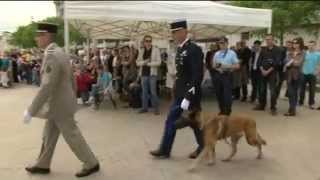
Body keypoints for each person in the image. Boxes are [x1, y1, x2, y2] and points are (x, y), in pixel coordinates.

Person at [23, 23, 100, 178]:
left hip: (59, 105)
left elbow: (46, 86)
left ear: (46, 36)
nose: (36, 39)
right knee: (48, 135)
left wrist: (31, 110)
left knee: (72, 135)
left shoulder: (52, 55)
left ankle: (91, 163)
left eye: (38, 35)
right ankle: (43, 164)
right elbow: (71, 79)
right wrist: (73, 96)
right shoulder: (59, 52)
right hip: (59, 104)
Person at [150, 19, 204, 159]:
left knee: (191, 122)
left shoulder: (194, 49)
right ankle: (166, 149)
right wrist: (175, 88)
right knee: (188, 122)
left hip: (190, 94)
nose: (174, 35)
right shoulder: (180, 48)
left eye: (176, 32)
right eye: (173, 33)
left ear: (184, 31)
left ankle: (166, 149)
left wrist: (188, 96)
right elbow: (181, 74)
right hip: (180, 92)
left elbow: (197, 75)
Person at [253, 34, 282, 115]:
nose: (268, 41)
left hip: (272, 73)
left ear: (273, 40)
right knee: (262, 90)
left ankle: (273, 108)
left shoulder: (278, 50)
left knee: (273, 91)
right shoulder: (263, 49)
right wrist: (262, 70)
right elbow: (259, 61)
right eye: (266, 40)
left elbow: (276, 63)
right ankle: (262, 105)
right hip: (262, 72)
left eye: (269, 39)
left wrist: (268, 71)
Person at [212, 37, 240, 115]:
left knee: (227, 96)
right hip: (218, 75)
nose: (222, 44)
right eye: (220, 43)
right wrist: (218, 69)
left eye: (223, 43)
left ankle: (227, 111)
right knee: (219, 94)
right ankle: (222, 110)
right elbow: (213, 65)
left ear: (227, 43)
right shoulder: (217, 53)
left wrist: (226, 66)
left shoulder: (232, 53)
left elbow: (237, 66)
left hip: (227, 75)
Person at [136, 35, 161, 115]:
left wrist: (149, 64)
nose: (148, 42)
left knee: (153, 92)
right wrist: (144, 62)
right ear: (144, 42)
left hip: (152, 74)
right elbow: (137, 62)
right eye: (147, 41)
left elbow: (159, 62)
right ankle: (144, 108)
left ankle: (156, 108)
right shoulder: (141, 50)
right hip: (143, 74)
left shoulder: (156, 50)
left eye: (150, 41)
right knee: (144, 92)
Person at [283, 37, 305, 116]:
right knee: (291, 93)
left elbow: (298, 63)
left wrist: (291, 62)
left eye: (297, 43)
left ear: (300, 44)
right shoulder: (290, 51)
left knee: (294, 93)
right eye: (294, 43)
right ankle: (292, 109)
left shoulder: (303, 52)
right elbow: (285, 61)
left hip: (298, 75)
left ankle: (292, 110)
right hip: (289, 75)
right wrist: (292, 61)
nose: (295, 45)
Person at [299, 40, 320, 109]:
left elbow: (319, 64)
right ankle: (301, 102)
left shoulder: (318, 54)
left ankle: (311, 104)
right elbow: (301, 62)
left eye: (312, 45)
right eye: (309, 45)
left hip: (312, 74)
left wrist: (317, 72)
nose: (310, 46)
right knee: (302, 89)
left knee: (312, 90)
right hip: (304, 73)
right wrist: (301, 70)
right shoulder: (305, 53)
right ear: (308, 46)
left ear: (315, 46)